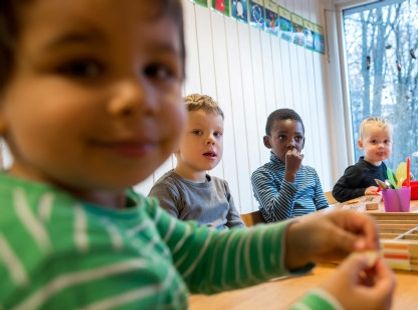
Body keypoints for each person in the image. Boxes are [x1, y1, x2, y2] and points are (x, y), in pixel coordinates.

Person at [0, 0, 395, 309]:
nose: (137, 98)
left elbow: (200, 255)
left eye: (157, 69)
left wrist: (295, 241)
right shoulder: (50, 254)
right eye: (83, 66)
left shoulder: (123, 204)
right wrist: (330, 305)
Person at [149, 94, 244, 229]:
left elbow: (240, 234)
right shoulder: (167, 190)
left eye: (217, 134)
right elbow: (165, 244)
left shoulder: (222, 187)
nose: (211, 139)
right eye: (198, 132)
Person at [251, 108, 330, 222]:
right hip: (288, 237)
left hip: (315, 232)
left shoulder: (310, 173)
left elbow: (323, 209)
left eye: (298, 138)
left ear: (303, 142)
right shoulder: (262, 175)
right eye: (282, 137)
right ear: (267, 142)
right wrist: (290, 174)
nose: (292, 143)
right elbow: (278, 218)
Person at [332, 117, 392, 202]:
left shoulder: (383, 167)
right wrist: (363, 191)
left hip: (380, 213)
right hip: (362, 214)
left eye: (386, 141)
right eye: (374, 141)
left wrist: (403, 181)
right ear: (361, 144)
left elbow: (389, 189)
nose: (381, 146)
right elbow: (337, 191)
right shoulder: (356, 170)